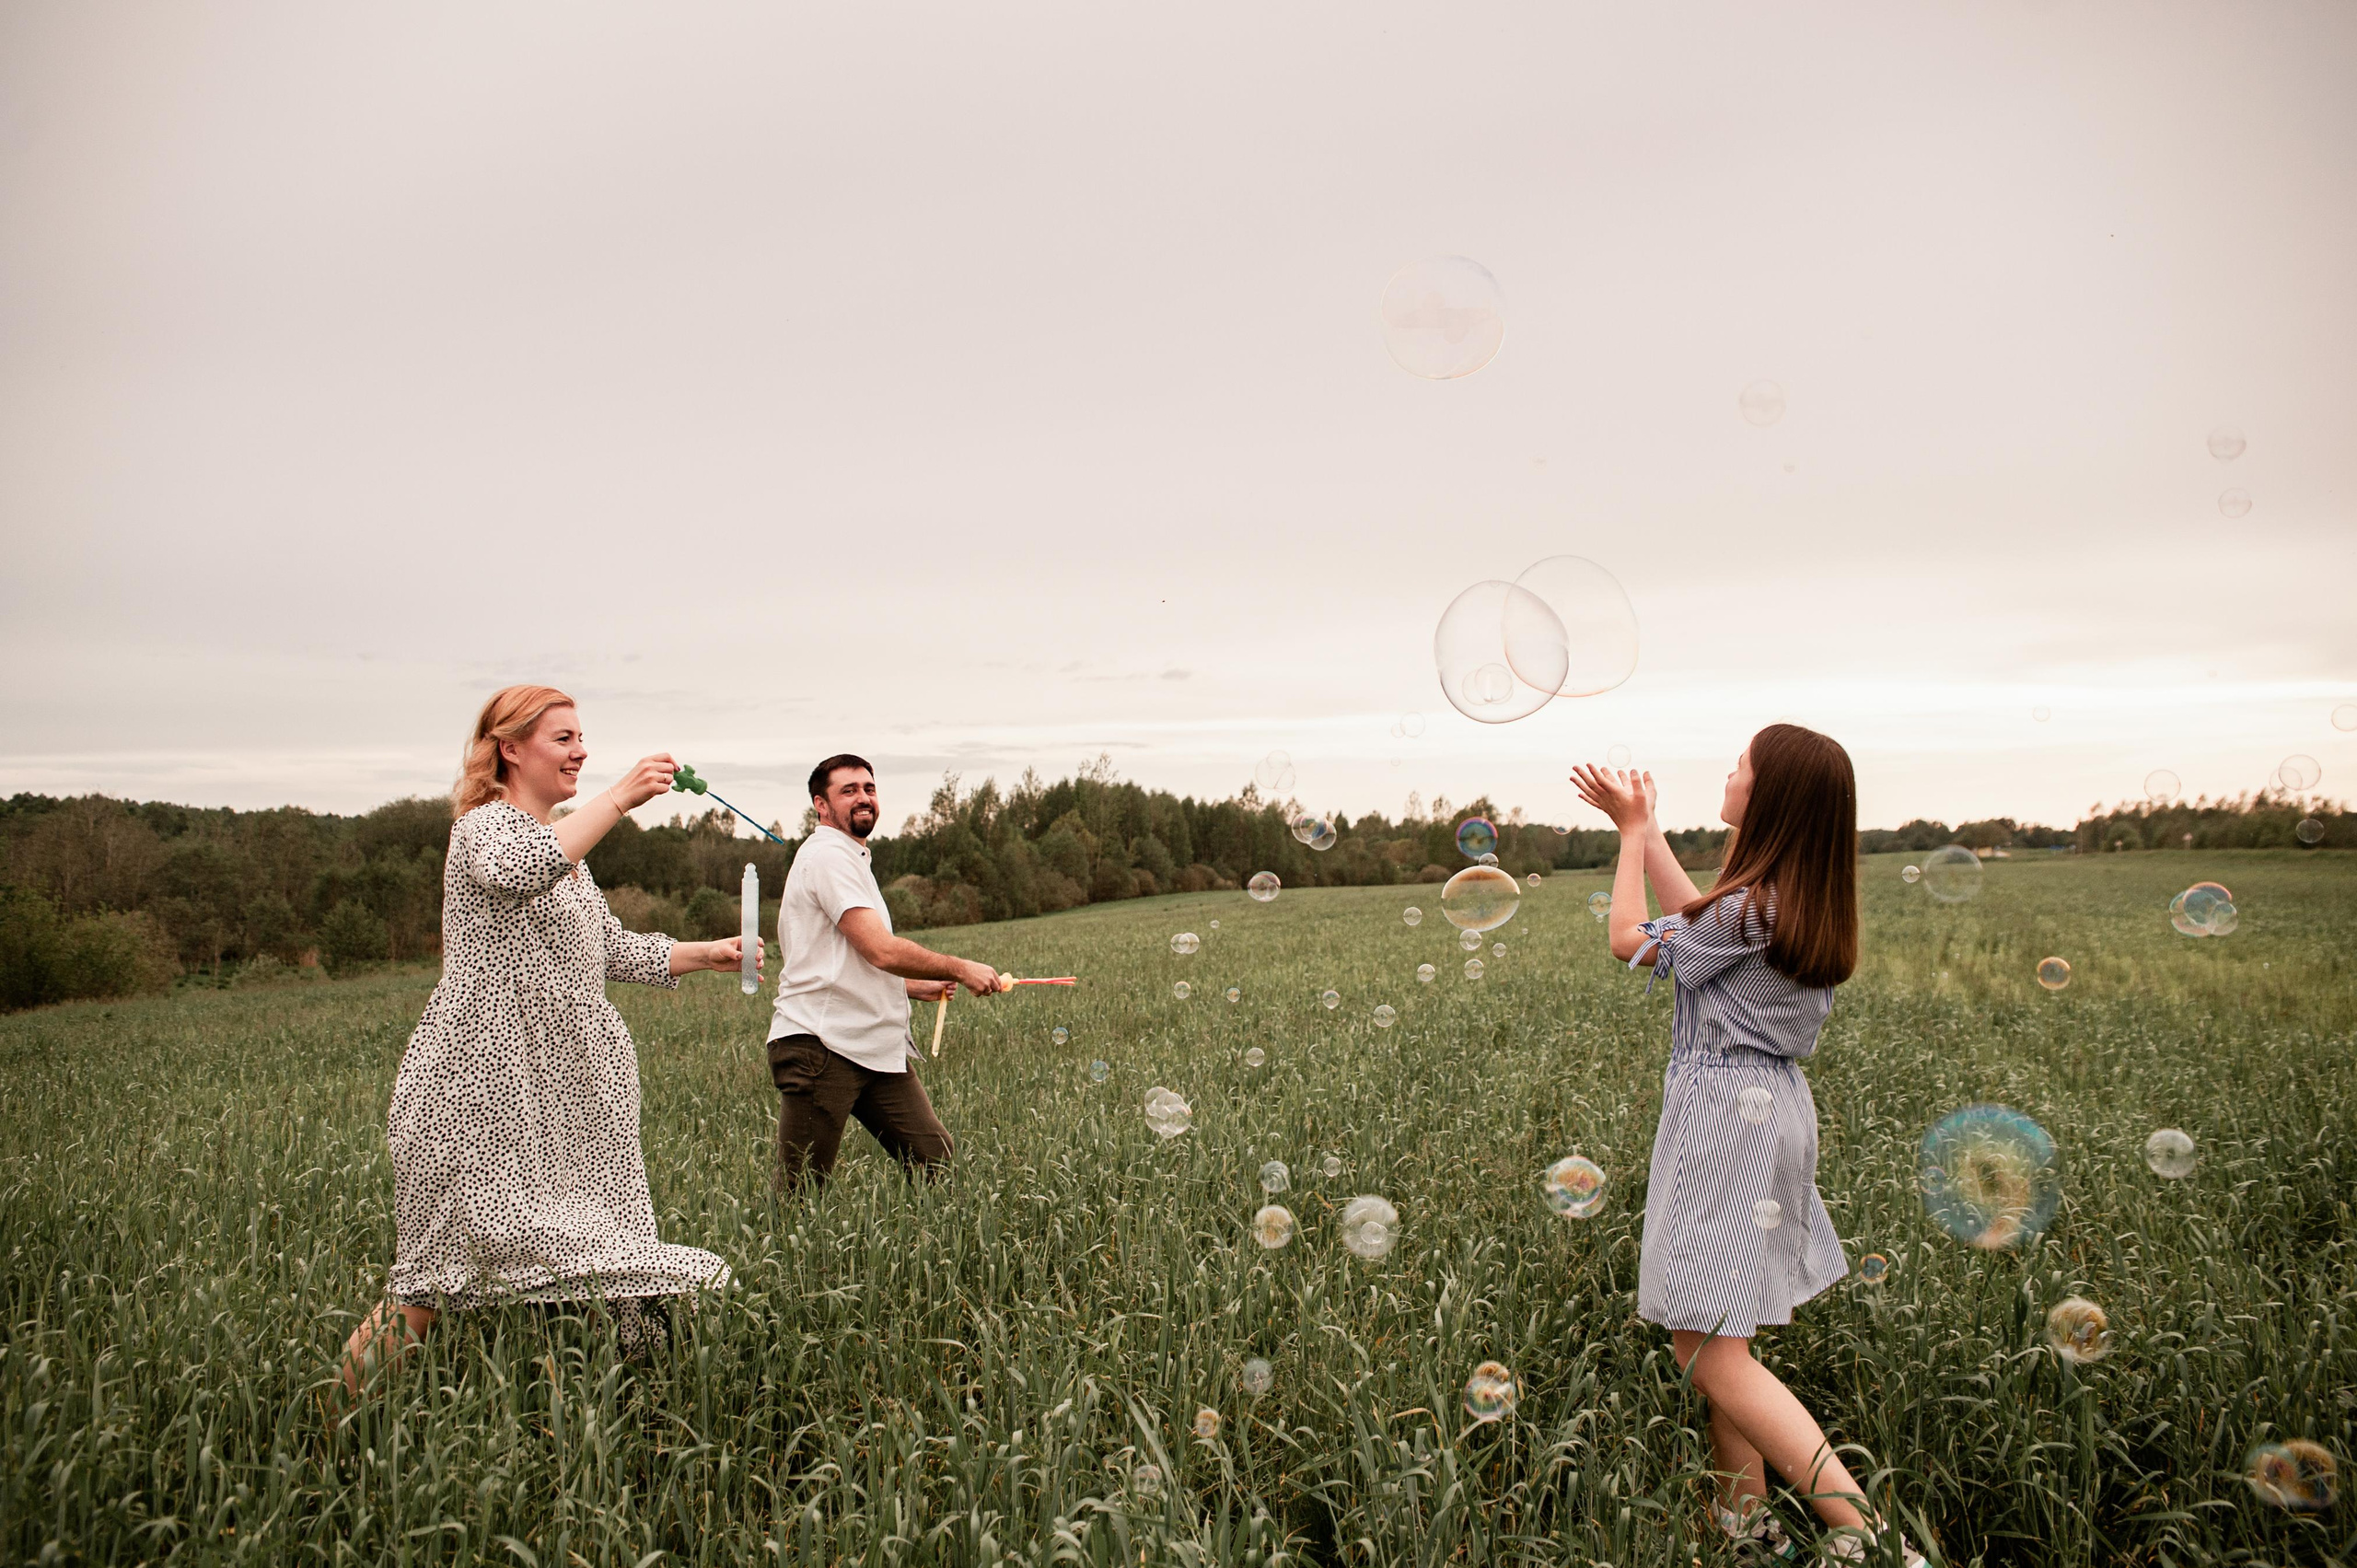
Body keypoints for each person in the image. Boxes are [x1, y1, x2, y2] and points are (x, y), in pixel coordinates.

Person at [1573, 726, 1925, 1568]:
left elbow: (1629, 937)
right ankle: (1746, 1530)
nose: (1730, 772)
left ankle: (1868, 1537)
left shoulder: (1746, 909)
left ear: (1767, 798)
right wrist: (1651, 827)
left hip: (1723, 1118)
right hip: (1772, 1112)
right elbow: (1702, 918)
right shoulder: (1776, 903)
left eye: (1742, 765)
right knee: (1723, 1330)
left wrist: (1627, 841)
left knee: (1698, 1346)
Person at [338, 685, 751, 1397]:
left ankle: (626, 1411)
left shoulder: (568, 855)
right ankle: (331, 1436)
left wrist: (703, 951)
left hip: (567, 1105)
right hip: (478, 1096)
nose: (581, 750)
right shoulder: (485, 830)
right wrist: (620, 797)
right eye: (563, 738)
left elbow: (608, 947)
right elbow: (523, 868)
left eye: (581, 737)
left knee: (616, 1257)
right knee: (430, 1283)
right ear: (510, 747)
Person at [767, 753, 1005, 1191]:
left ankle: (939, 1256)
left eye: (869, 788)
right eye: (849, 790)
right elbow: (880, 949)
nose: (863, 798)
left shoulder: (851, 857)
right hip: (821, 1046)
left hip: (873, 1046)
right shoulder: (828, 857)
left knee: (937, 1164)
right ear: (821, 805)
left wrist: (914, 986)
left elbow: (844, 958)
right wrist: (961, 967)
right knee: (798, 1194)